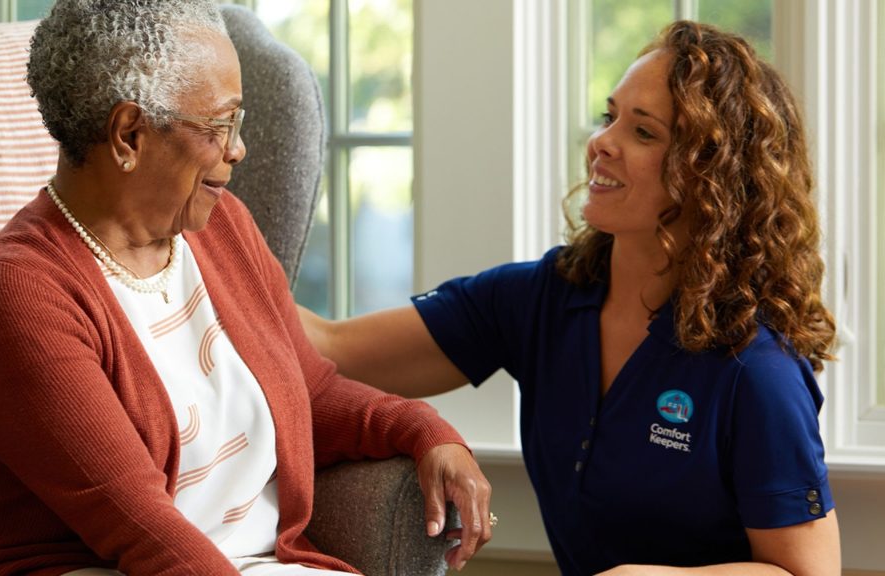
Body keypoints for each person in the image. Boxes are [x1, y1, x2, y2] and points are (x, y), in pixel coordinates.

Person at [0, 1, 492, 574]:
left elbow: (309, 392)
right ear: (129, 134)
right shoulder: (19, 294)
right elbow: (141, 525)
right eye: (221, 125)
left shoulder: (223, 228)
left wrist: (428, 433)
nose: (238, 149)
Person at [300, 20, 841, 576]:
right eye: (611, 118)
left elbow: (806, 571)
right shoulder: (542, 299)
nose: (601, 142)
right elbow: (330, 349)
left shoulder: (756, 369)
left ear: (711, 180)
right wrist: (216, 240)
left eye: (643, 132)